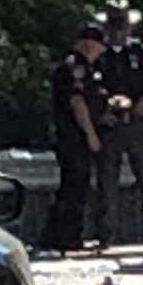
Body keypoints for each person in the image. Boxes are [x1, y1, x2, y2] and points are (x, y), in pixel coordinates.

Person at [96, 2, 143, 252]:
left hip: (138, 123)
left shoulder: (142, 53)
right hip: (110, 125)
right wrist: (104, 110)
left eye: (122, 26)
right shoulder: (99, 56)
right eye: (113, 25)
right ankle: (106, 235)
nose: (118, 31)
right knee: (107, 182)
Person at [45, 21, 108, 249]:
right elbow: (77, 102)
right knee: (74, 184)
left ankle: (66, 235)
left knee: (76, 184)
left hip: (76, 135)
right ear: (89, 45)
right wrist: (91, 134)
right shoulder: (75, 67)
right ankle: (65, 237)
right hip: (72, 135)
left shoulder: (90, 68)